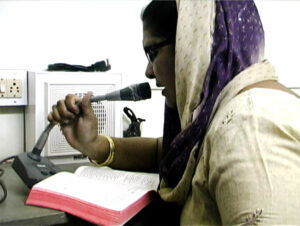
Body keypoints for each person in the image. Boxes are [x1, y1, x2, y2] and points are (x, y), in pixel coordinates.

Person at [48, 0, 300, 224]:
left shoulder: (248, 131)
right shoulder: (222, 112)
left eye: (152, 52)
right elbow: (166, 152)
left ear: (194, 45)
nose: (148, 71)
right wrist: (94, 145)